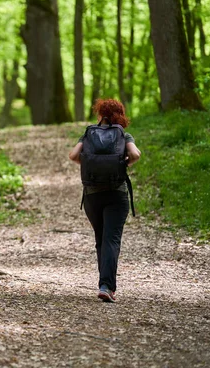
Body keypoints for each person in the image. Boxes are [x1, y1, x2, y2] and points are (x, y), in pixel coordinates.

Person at [68, 99, 141, 302]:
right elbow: (135, 154)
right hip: (116, 193)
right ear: (120, 115)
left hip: (92, 195)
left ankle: (104, 284)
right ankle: (106, 286)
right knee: (112, 239)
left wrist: (92, 162)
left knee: (101, 239)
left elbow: (73, 155)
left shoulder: (89, 134)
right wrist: (124, 162)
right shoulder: (123, 135)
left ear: (100, 115)